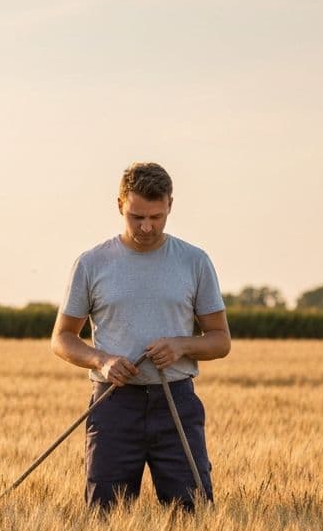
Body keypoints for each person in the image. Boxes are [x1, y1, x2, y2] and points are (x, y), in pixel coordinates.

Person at [51, 162, 230, 510]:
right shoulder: (91, 263)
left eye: (156, 217)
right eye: (136, 217)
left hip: (176, 403)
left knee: (192, 517)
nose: (147, 227)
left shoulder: (195, 261)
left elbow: (220, 340)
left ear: (170, 206)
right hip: (113, 404)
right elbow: (62, 338)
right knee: (105, 518)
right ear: (120, 205)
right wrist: (102, 361)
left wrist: (181, 345)